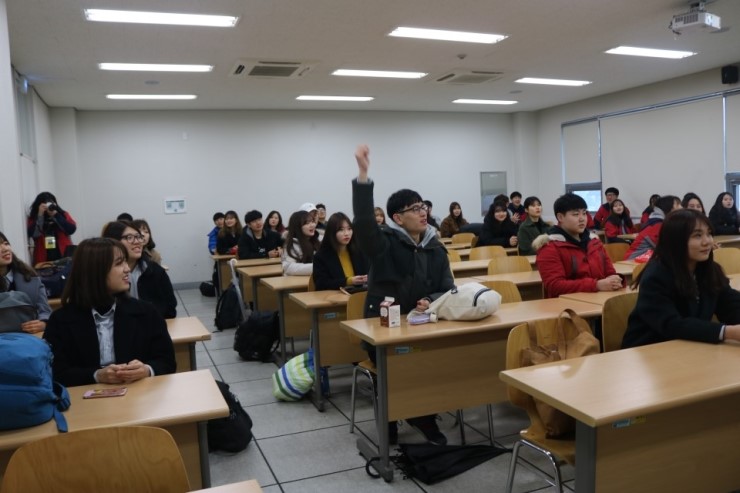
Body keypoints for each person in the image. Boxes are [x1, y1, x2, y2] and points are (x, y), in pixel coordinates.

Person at [353, 144, 454, 446]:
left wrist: (430, 299)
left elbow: (447, 286)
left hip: (423, 323)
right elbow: (364, 225)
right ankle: (390, 418)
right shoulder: (384, 243)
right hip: (384, 327)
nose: (423, 213)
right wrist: (363, 177)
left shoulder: (435, 246)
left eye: (423, 207)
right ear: (398, 217)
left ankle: (422, 415)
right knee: (395, 367)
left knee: (433, 362)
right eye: (415, 209)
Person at [43, 237, 176, 387]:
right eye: (119, 263)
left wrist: (146, 370)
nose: (127, 269)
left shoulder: (146, 312)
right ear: (95, 271)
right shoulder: (61, 320)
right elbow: (55, 372)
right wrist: (96, 375)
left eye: (125, 262)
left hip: (138, 394)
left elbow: (167, 362)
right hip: (85, 398)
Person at [622, 209, 740, 348]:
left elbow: (731, 305)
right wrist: (727, 332)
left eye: (709, 234)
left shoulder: (710, 270)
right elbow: (671, 324)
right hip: (651, 349)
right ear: (676, 240)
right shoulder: (656, 275)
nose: (707, 242)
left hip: (691, 347)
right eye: (697, 235)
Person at [534, 193, 622, 298]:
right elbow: (555, 286)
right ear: (560, 217)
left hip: (600, 300)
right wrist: (596, 285)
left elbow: (610, 272)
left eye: (584, 213)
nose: (582, 219)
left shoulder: (594, 242)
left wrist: (614, 279)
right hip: (568, 305)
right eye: (575, 214)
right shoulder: (549, 247)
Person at [102, 221, 177, 319]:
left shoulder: (155, 271)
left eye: (138, 237)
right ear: (113, 241)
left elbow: (170, 309)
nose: (137, 242)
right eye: (129, 237)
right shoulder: (103, 273)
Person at [0, 231, 51, 333]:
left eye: (6, 243)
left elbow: (45, 311)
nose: (5, 249)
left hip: (28, 335)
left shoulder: (30, 277)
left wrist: (43, 323)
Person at [313, 212, 368, 290]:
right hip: (335, 295)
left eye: (349, 229)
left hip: (358, 293)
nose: (347, 233)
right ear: (332, 232)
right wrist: (349, 281)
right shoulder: (321, 256)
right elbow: (321, 284)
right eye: (341, 230)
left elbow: (367, 273)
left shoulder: (358, 251)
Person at [624, 195, 681, 260]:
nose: (681, 207)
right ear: (668, 208)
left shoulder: (662, 223)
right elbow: (666, 249)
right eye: (677, 205)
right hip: (632, 261)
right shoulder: (656, 225)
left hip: (647, 261)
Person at [27, 192, 77, 265]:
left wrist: (56, 215)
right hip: (43, 260)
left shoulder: (62, 215)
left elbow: (71, 230)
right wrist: (40, 215)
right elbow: (35, 234)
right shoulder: (34, 218)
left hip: (64, 257)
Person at [282, 210, 320, 276]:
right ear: (298, 227)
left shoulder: (316, 241)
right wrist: (317, 267)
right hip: (295, 281)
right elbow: (289, 267)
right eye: (307, 223)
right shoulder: (291, 245)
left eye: (312, 222)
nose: (312, 225)